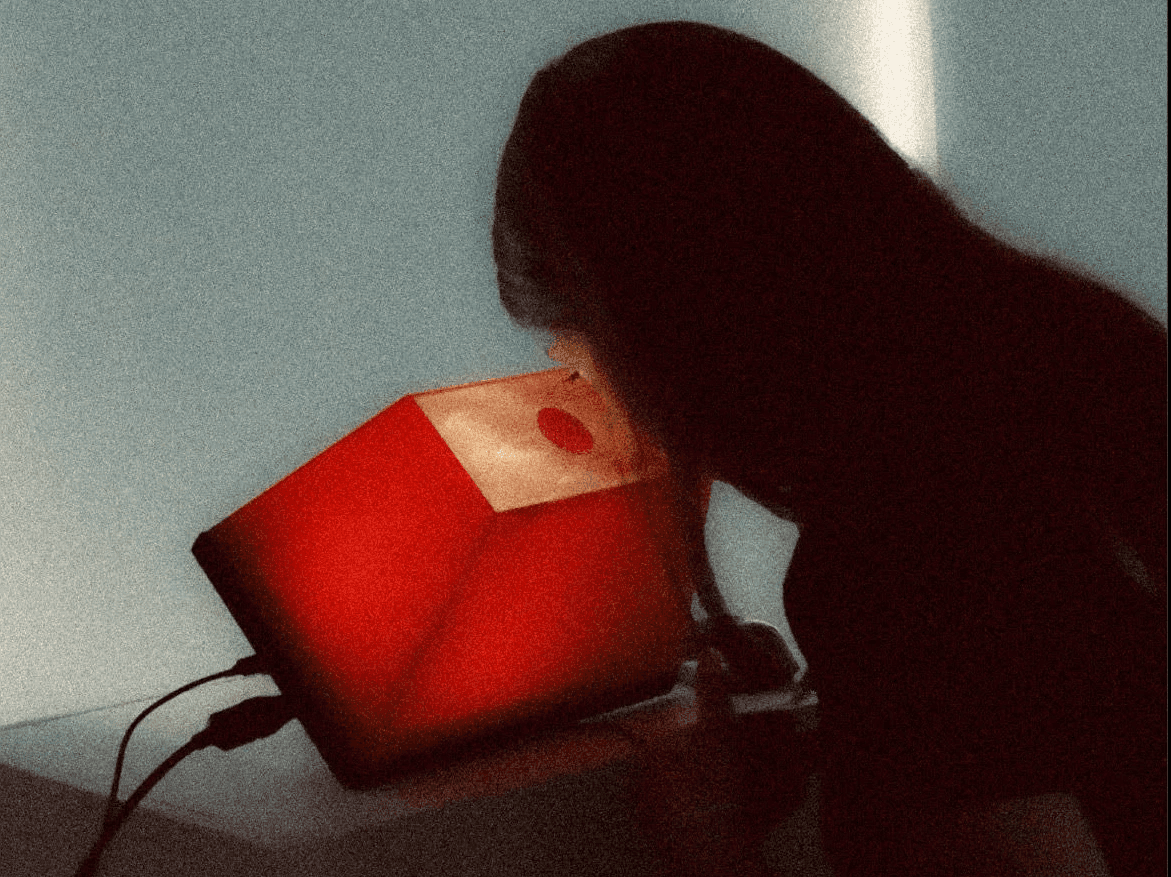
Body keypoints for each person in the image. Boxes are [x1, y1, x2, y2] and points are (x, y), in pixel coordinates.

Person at [492, 21, 1166, 877]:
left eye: (584, 350)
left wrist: (710, 850)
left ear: (664, 330)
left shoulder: (896, 555)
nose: (605, 399)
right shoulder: (1095, 357)